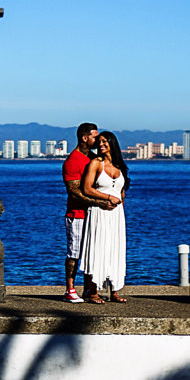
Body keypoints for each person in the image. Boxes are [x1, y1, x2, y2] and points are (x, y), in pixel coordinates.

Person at [80, 130, 130, 303]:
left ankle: (114, 290)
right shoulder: (95, 163)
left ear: (112, 143)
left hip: (116, 214)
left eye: (104, 141)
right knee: (98, 248)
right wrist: (107, 197)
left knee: (115, 248)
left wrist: (119, 200)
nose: (100, 144)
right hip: (98, 212)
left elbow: (122, 191)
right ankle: (92, 291)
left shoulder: (120, 166)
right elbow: (86, 189)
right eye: (99, 142)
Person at [61, 122, 104, 302]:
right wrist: (98, 202)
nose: (97, 139)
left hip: (94, 214)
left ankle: (89, 289)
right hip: (77, 215)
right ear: (84, 138)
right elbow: (74, 191)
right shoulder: (73, 161)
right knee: (75, 252)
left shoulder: (95, 159)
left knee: (92, 252)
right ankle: (70, 290)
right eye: (94, 136)